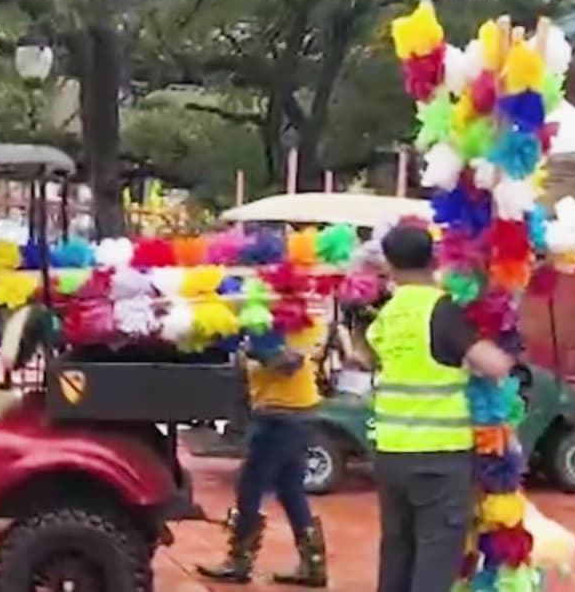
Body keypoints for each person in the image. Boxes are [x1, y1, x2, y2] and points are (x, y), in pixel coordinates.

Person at [362, 225, 515, 592]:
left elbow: (368, 357)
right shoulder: (440, 310)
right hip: (438, 458)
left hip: (391, 454)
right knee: (435, 558)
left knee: (398, 553)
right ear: (433, 259)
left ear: (390, 265)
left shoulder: (388, 312)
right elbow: (494, 365)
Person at [197, 319, 329, 586]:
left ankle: (239, 560)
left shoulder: (291, 322)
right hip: (286, 413)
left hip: (283, 416)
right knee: (290, 490)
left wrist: (256, 349)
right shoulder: (260, 324)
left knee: (250, 485)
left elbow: (291, 362)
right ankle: (313, 565)